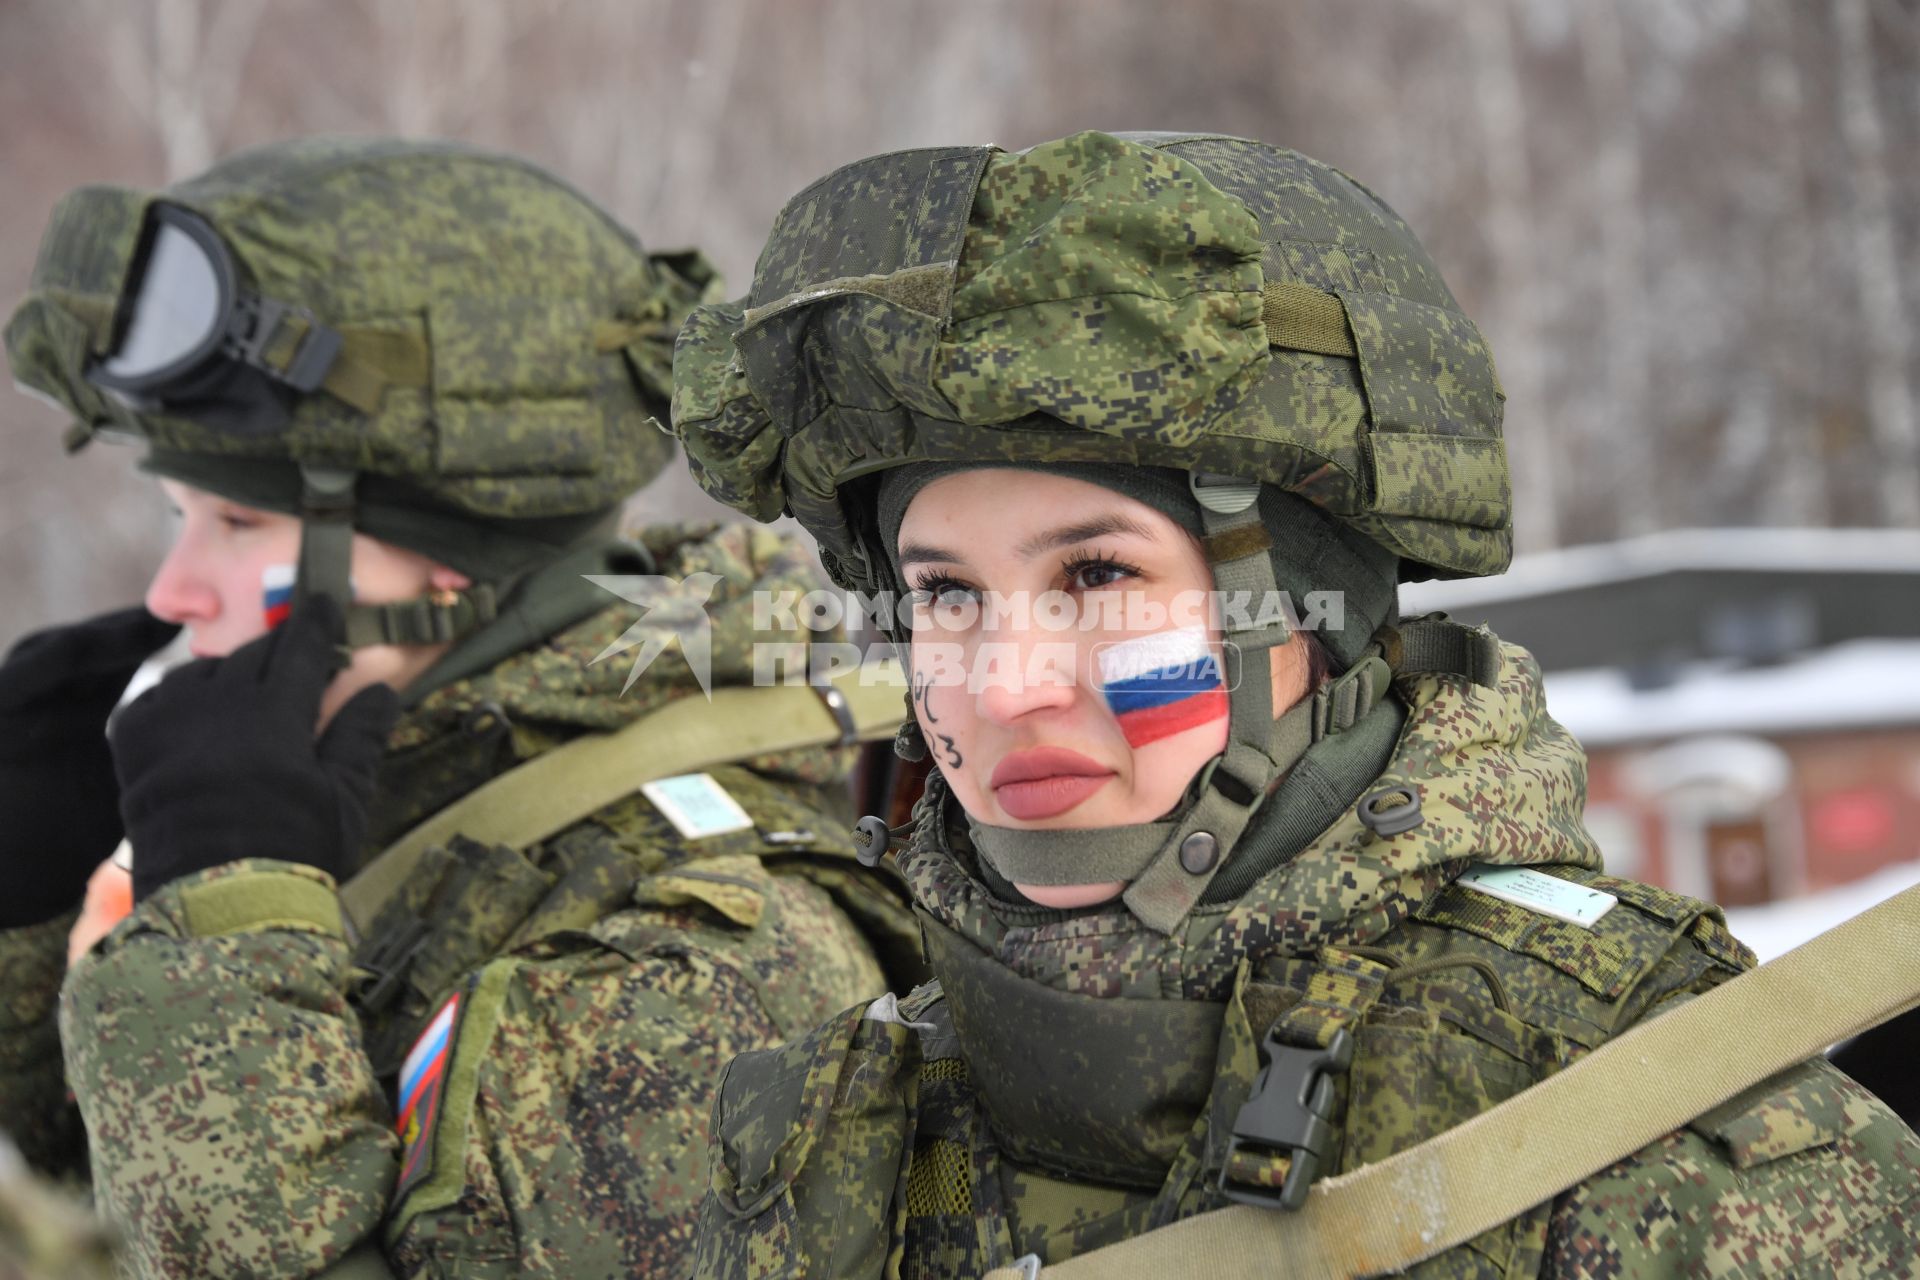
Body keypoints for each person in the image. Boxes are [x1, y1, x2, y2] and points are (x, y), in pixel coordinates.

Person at [667, 131, 1920, 1276]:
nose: (1006, 683)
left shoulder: (1657, 1122)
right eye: (945, 595)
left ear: (1311, 614)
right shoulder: (815, 1137)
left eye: (1098, 577)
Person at [1, 136, 917, 1278]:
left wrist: (220, 936)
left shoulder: (697, 974)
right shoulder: (376, 792)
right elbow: (124, 1211)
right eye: (181, 517)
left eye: (236, 526)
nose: (170, 592)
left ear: (444, 567)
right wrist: (33, 909)